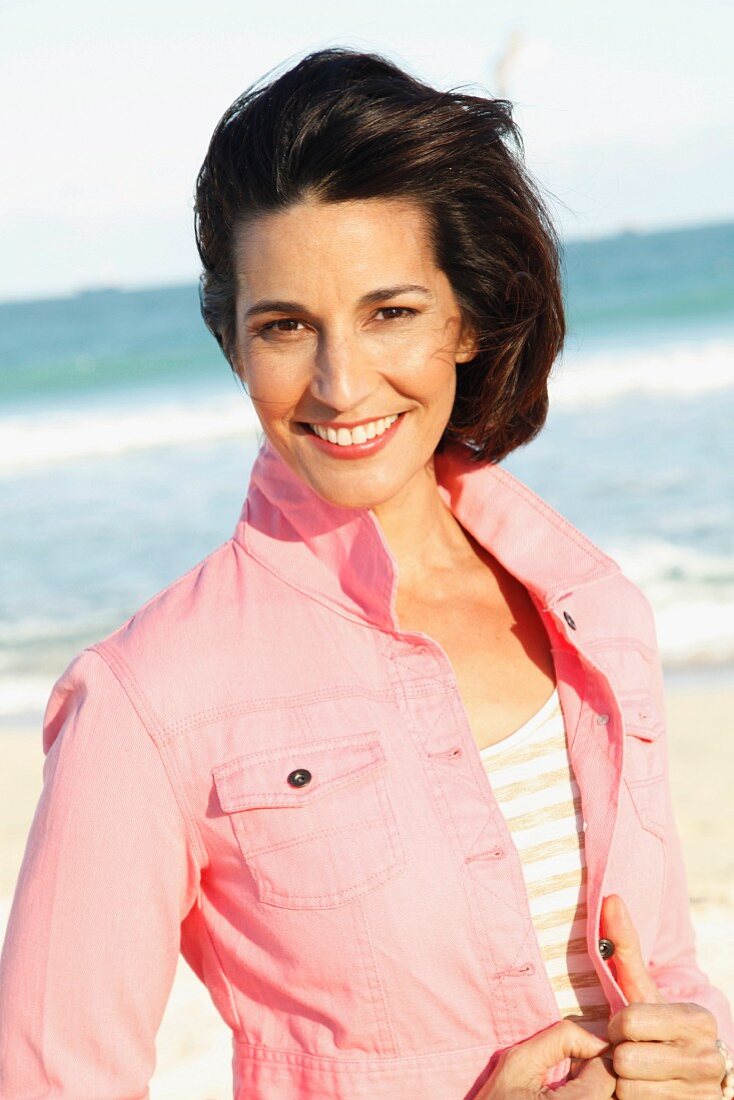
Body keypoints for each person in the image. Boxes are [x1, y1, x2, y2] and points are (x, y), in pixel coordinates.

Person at [0, 46, 732, 1100]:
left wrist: (693, 1042)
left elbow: (660, 972)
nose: (341, 385)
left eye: (389, 312)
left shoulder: (596, 611)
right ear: (235, 345)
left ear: (466, 319)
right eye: (285, 326)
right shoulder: (146, 700)